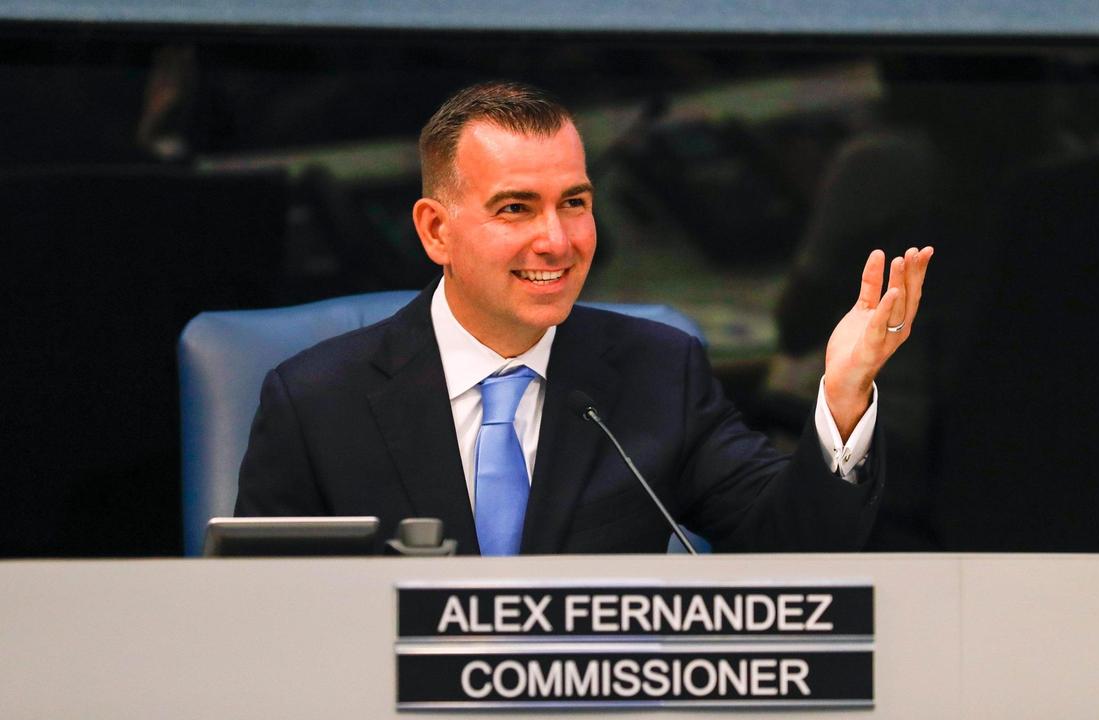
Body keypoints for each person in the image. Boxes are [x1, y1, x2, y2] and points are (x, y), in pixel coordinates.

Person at [235, 81, 933, 555]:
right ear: (435, 230)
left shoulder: (660, 371)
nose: (559, 240)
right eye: (516, 208)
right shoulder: (317, 402)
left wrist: (842, 397)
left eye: (574, 201)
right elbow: (257, 628)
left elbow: (792, 547)